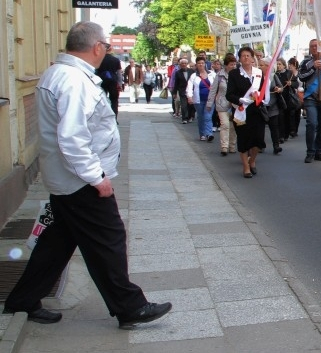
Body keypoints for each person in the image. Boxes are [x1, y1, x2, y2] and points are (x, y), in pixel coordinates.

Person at [2, 21, 172, 329]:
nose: (105, 51)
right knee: (108, 239)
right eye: (106, 46)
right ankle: (129, 306)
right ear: (96, 48)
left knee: (57, 243)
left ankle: (23, 299)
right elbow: (72, 137)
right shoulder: (73, 80)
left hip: (65, 178)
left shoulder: (59, 72)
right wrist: (96, 177)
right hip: (80, 180)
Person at [226, 46, 267, 178]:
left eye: (248, 55)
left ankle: (252, 160)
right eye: (243, 56)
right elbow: (229, 94)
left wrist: (259, 96)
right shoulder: (234, 74)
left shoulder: (259, 73)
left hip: (256, 110)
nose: (246, 58)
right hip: (241, 111)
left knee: (258, 140)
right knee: (243, 139)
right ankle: (245, 167)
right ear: (240, 59)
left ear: (252, 57)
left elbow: (263, 91)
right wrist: (240, 100)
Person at [298, 38, 321, 163]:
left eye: (317, 46)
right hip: (311, 97)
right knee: (312, 124)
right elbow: (301, 77)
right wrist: (313, 69)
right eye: (312, 46)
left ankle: (319, 151)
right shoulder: (305, 62)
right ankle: (310, 152)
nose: (315, 48)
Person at [210, 53, 237, 157]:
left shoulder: (238, 75)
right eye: (231, 64)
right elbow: (213, 90)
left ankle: (232, 145)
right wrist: (209, 103)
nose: (233, 66)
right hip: (222, 103)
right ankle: (224, 147)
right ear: (226, 65)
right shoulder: (220, 75)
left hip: (234, 104)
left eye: (235, 64)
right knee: (225, 124)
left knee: (234, 126)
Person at [187, 57, 214, 142]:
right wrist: (190, 97)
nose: (201, 64)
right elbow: (190, 87)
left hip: (210, 100)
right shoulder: (194, 76)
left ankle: (209, 134)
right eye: (199, 63)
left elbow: (217, 85)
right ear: (196, 65)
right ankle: (202, 134)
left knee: (207, 117)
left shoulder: (212, 74)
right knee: (201, 117)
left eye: (202, 63)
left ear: (205, 64)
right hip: (198, 100)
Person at [96, 45, 122, 120]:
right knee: (114, 100)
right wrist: (119, 84)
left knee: (101, 101)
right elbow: (119, 73)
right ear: (110, 50)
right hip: (113, 81)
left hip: (101, 82)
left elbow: (95, 71)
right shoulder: (116, 60)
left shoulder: (99, 59)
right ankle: (114, 118)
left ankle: (101, 118)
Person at [173, 58, 194, 124]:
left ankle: (190, 116)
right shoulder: (178, 73)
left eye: (185, 63)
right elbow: (176, 83)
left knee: (190, 105)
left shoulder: (191, 71)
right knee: (183, 105)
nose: (184, 65)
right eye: (182, 63)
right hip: (182, 91)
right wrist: (175, 92)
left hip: (190, 91)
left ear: (187, 64)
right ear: (180, 64)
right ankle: (184, 118)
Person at [287, 57, 302, 138]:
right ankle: (292, 130)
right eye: (289, 65)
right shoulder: (288, 74)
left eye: (291, 65)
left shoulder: (300, 73)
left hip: (300, 94)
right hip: (292, 95)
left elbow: (301, 83)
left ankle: (295, 129)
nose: (289, 66)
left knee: (297, 113)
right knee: (292, 113)